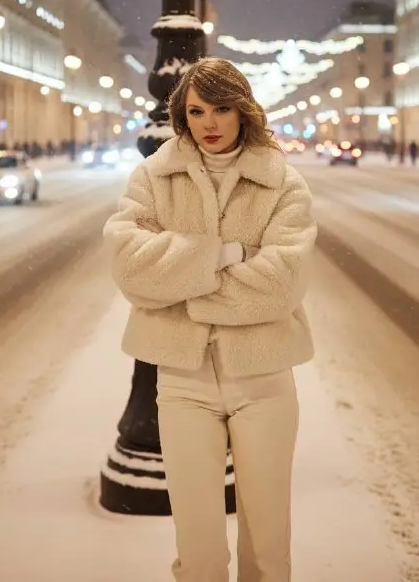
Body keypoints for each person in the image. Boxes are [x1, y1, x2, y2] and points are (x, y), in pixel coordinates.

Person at [104, 57, 316, 581]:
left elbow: (281, 285)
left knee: (267, 549)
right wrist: (224, 255)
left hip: (263, 381)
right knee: (197, 551)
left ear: (243, 111)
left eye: (222, 109)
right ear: (182, 115)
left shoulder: (283, 184)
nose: (210, 124)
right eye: (197, 111)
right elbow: (131, 268)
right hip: (183, 383)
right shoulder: (155, 176)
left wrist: (181, 285)